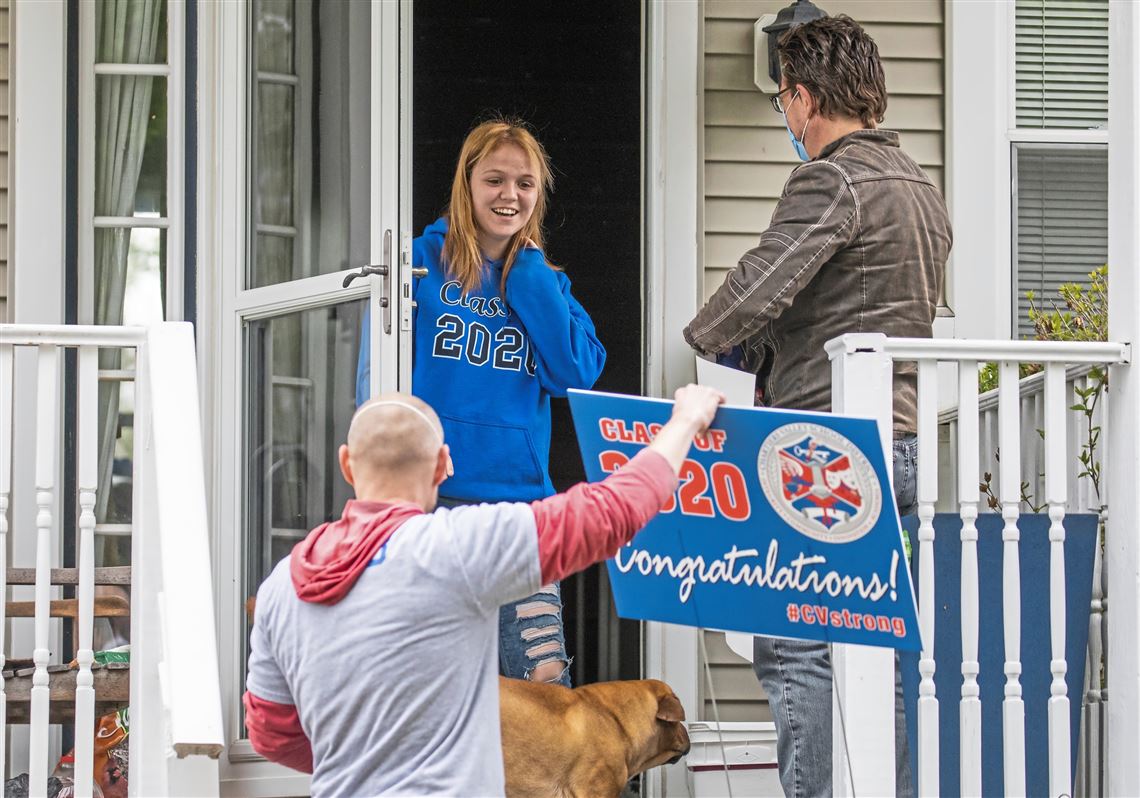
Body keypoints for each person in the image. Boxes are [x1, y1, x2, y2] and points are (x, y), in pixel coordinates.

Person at [682, 15, 952, 798]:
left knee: (795, 644)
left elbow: (751, 293)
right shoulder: (920, 187)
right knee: (878, 651)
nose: (788, 119)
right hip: (899, 445)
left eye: (785, 103)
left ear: (802, 97)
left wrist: (707, 336)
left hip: (824, 454)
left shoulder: (831, 180)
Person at [244, 386, 724, 796]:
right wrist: (685, 421)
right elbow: (607, 515)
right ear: (443, 465)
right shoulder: (455, 547)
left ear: (346, 465)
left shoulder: (281, 587)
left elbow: (271, 735)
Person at [355, 118, 605, 686]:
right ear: (466, 184)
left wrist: (529, 275)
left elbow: (575, 373)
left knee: (542, 683)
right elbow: (375, 386)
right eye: (494, 179)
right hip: (429, 508)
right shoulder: (416, 264)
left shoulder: (545, 283)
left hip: (520, 513)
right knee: (432, 683)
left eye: (524, 183)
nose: (509, 195)